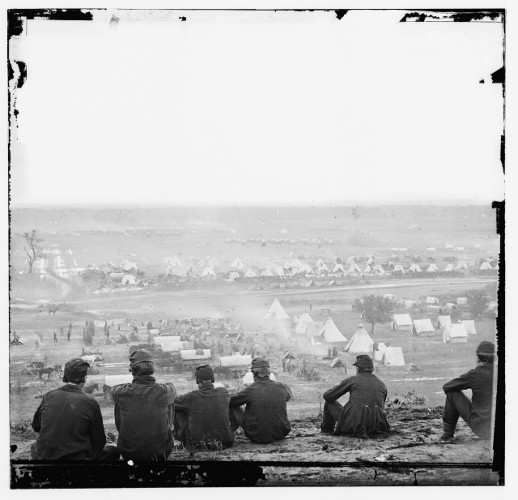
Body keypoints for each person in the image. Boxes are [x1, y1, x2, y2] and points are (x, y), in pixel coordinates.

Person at [31, 358, 119, 461]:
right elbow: (99, 442)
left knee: (34, 446)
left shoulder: (49, 395)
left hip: (46, 457)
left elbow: (36, 426)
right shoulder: (90, 401)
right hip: (77, 459)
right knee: (113, 450)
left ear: (65, 376)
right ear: (85, 378)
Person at [112, 350, 176, 461]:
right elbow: (172, 387)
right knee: (169, 402)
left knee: (120, 403)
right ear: (153, 369)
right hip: (161, 453)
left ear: (132, 370)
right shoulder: (165, 390)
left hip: (129, 453)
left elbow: (114, 389)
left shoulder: (121, 392)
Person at [321, 354, 389, 438]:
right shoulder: (382, 385)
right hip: (378, 426)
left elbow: (328, 396)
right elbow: (380, 406)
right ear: (372, 368)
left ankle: (326, 432)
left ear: (358, 368)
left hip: (353, 425)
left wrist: (334, 388)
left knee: (329, 403)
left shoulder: (353, 380)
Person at [440, 341, 496, 443]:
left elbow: (447, 387)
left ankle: (447, 435)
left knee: (452, 394)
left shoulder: (476, 373)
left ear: (479, 357)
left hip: (483, 429)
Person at [229, 357, 292, 444]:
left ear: (254, 373)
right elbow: (288, 396)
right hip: (281, 433)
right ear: (269, 372)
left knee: (235, 407)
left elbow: (231, 401)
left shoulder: (250, 389)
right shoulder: (281, 387)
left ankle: (229, 432)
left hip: (256, 435)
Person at [173, 365, 234, 450]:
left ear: (198, 380)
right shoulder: (223, 392)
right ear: (212, 379)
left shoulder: (190, 397)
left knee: (178, 409)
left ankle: (180, 439)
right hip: (225, 442)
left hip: (198, 444)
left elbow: (172, 402)